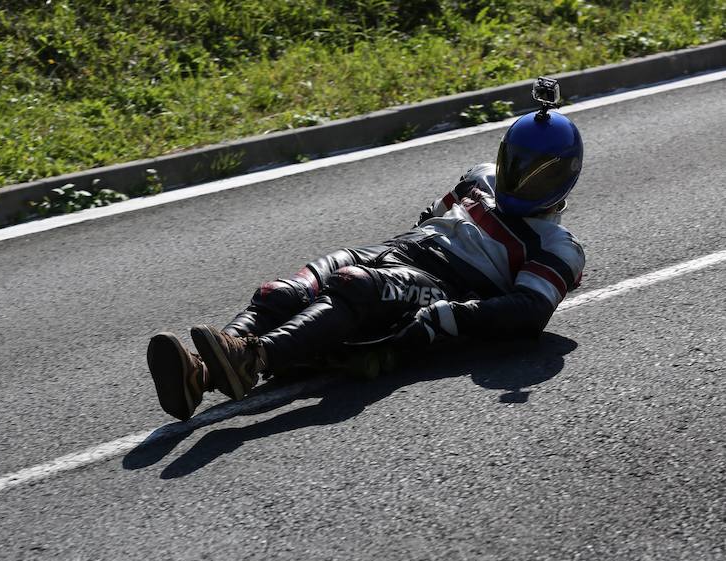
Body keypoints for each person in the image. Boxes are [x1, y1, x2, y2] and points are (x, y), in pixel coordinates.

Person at [147, 78, 585, 421]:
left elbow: (528, 310)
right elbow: (430, 215)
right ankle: (201, 371)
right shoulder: (481, 177)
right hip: (397, 250)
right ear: (503, 155)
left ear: (565, 176)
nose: (521, 178)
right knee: (280, 292)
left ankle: (254, 357)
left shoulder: (557, 246)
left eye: (538, 173)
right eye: (516, 163)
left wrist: (451, 316)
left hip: (442, 284)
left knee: (354, 285)